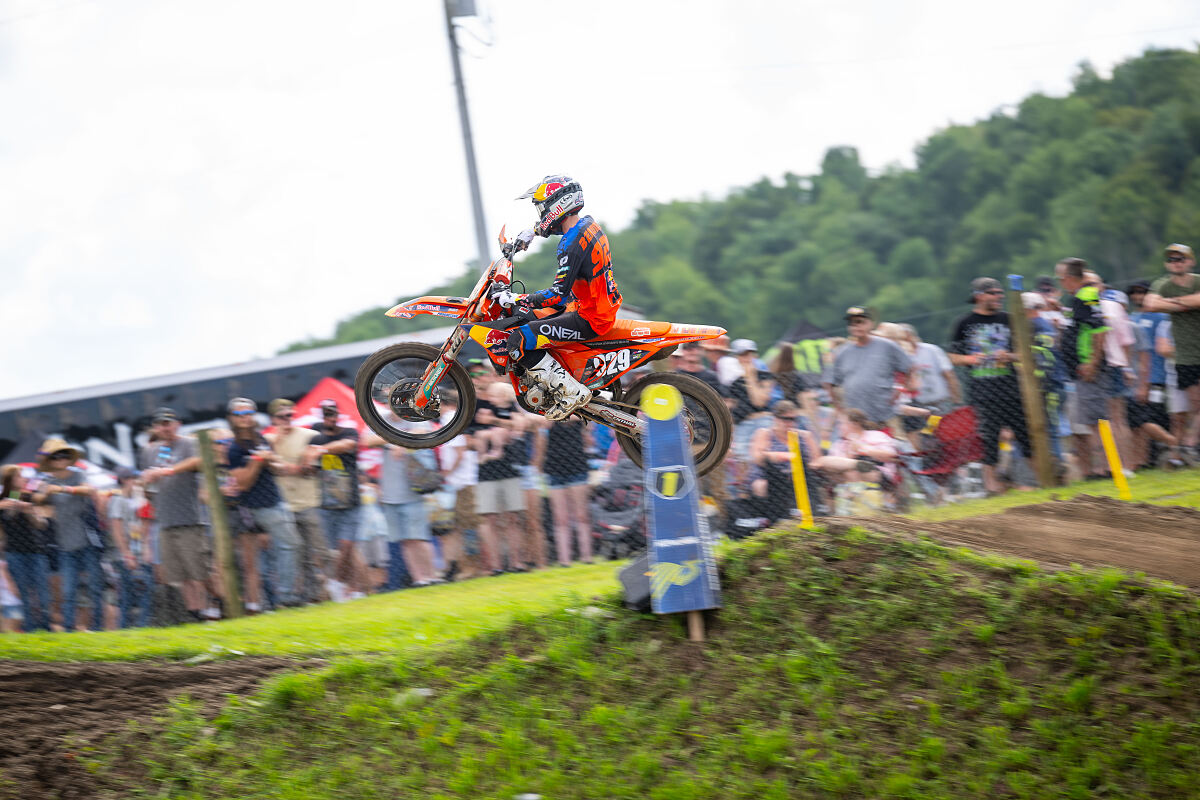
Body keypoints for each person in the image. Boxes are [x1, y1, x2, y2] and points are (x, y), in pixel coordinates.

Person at [492, 175, 622, 421]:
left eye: (542, 207)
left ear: (557, 204)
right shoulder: (588, 226)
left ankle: (570, 393)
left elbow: (556, 294)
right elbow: (559, 229)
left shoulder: (570, 245)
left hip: (590, 317)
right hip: (595, 304)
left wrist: (515, 299)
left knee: (518, 339)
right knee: (531, 318)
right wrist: (532, 231)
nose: (542, 213)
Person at [948, 279, 1034, 494]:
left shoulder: (1009, 320)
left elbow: (1026, 352)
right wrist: (971, 359)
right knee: (988, 441)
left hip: (1011, 389)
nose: (998, 297)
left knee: (1026, 436)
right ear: (979, 296)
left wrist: (1010, 356)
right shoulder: (964, 323)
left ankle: (1035, 482)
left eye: (1000, 293)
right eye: (993, 293)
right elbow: (951, 357)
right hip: (982, 392)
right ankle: (993, 488)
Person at [225, 398, 304, 608]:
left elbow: (277, 466)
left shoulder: (260, 438)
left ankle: (281, 597)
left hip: (276, 499)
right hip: (258, 506)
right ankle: (285, 597)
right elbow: (242, 483)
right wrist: (257, 461)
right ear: (232, 418)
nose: (245, 418)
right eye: (240, 414)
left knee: (283, 549)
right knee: (289, 545)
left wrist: (274, 461)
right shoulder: (235, 448)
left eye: (248, 413)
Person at [32, 438, 102, 631]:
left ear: (69, 458)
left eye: (63, 455)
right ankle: (70, 630)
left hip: (87, 541)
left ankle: (99, 629)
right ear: (51, 461)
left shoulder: (78, 476)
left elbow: (89, 490)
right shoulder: (45, 481)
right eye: (56, 456)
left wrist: (63, 489)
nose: (60, 459)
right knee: (68, 591)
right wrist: (45, 493)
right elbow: (34, 497)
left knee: (95, 588)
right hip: (64, 546)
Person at [265, 398, 328, 604]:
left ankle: (323, 592)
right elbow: (268, 467)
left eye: (289, 415)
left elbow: (314, 468)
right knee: (295, 553)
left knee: (318, 552)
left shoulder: (309, 435)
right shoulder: (268, 441)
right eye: (281, 417)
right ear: (273, 419)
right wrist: (277, 445)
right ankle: (304, 596)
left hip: (309, 502)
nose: (286, 420)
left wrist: (290, 468)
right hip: (283, 505)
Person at [1143, 243, 1200, 457]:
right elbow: (1151, 304)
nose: (1176, 263)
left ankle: (1189, 442)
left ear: (1191, 261)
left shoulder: (1197, 280)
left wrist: (1172, 303)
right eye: (1172, 260)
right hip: (1185, 356)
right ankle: (1190, 446)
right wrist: (1187, 304)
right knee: (1195, 406)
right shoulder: (1162, 284)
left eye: (1181, 259)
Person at [309, 399, 370, 598]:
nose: (330, 417)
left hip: (350, 500)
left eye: (333, 413)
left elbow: (348, 444)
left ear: (338, 414)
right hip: (328, 503)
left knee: (347, 546)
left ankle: (340, 584)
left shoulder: (349, 432)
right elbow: (308, 461)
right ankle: (353, 588)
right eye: (326, 414)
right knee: (338, 551)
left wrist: (322, 449)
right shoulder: (315, 437)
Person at [1056, 259, 1110, 480]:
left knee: (1098, 421)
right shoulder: (1078, 298)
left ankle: (1106, 468)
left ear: (1070, 278)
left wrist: (1093, 362)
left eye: (1061, 279)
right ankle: (1100, 468)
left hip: (1089, 368)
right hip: (1079, 370)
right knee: (1090, 421)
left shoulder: (1086, 295)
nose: (1060, 283)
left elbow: (1099, 330)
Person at [825, 306, 913, 430]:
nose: (856, 326)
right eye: (852, 323)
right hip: (856, 418)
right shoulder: (842, 352)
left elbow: (908, 368)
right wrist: (840, 407)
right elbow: (833, 383)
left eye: (860, 322)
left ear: (871, 324)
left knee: (896, 446)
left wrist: (899, 389)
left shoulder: (887, 346)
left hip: (885, 414)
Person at [0, 464, 53, 632]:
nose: (23, 479)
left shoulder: (29, 497)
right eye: (19, 476)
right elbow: (8, 519)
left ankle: (45, 627)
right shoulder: (4, 500)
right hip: (14, 552)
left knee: (42, 593)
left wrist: (30, 511)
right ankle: (30, 630)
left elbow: (42, 524)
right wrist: (5, 505)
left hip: (36, 551)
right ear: (10, 480)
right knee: (23, 594)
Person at [107, 467, 154, 628]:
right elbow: (116, 529)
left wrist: (146, 549)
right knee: (126, 594)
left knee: (146, 590)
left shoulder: (142, 501)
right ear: (125, 480)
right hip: (124, 554)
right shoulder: (117, 500)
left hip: (140, 552)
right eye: (134, 479)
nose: (137, 482)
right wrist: (126, 554)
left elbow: (145, 528)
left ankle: (143, 626)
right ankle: (124, 628)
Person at [543, 418, 593, 567]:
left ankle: (587, 557)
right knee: (560, 519)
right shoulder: (546, 414)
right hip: (554, 470)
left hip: (577, 467)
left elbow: (587, 423)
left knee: (581, 516)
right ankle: (564, 560)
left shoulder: (578, 414)